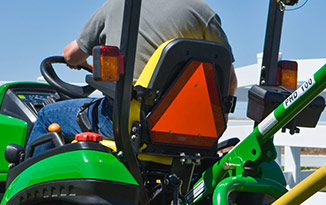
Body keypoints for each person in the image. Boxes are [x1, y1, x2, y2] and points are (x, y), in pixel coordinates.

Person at [27, 0, 237, 156]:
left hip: (126, 122)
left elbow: (70, 55)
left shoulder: (119, 4)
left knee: (47, 115)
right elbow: (229, 78)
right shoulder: (203, 12)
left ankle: (29, 196)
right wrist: (217, 123)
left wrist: (78, 63)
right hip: (190, 130)